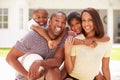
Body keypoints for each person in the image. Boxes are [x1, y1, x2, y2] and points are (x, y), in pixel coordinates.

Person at [6, 11, 67, 80]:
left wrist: (39, 62)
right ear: (49, 22)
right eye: (57, 20)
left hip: (44, 74)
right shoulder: (33, 36)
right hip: (26, 75)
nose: (59, 24)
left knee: (54, 71)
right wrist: (28, 75)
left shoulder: (63, 37)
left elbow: (57, 61)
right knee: (34, 59)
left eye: (63, 22)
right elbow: (10, 57)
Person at [64, 8, 112, 80]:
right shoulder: (75, 39)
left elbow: (105, 68)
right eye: (84, 20)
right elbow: (70, 70)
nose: (86, 24)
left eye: (90, 20)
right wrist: (67, 52)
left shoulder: (105, 42)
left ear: (96, 21)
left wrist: (91, 39)